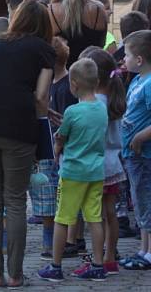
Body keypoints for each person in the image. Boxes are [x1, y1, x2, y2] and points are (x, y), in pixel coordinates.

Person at [0, 0, 55, 289]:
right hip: (17, 127)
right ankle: (16, 276)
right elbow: (41, 97)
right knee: (15, 200)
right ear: (44, 25)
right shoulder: (44, 50)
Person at [38, 58, 108, 282]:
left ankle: (55, 266)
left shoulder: (72, 111)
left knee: (63, 218)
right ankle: (98, 264)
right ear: (96, 82)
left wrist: (58, 145)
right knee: (94, 218)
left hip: (72, 174)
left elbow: (62, 138)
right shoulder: (101, 108)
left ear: (74, 84)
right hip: (96, 172)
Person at [77, 47, 127, 276]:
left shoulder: (92, 103)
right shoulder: (114, 100)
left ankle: (97, 259)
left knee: (94, 216)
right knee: (111, 214)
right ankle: (109, 257)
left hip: (94, 166)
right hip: (113, 164)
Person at [30, 36, 74, 260]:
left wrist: (58, 146)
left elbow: (64, 119)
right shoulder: (56, 82)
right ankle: (49, 238)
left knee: (49, 190)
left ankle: (51, 239)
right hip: (50, 141)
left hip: (53, 143)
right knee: (48, 190)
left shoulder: (63, 87)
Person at [118, 30, 151, 270]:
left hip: (144, 154)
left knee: (146, 199)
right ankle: (144, 248)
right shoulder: (138, 80)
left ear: (139, 59)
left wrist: (141, 136)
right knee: (140, 200)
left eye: (127, 55)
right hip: (133, 155)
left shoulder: (149, 84)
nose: (123, 60)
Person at [47, 0, 108, 66]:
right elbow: (102, 44)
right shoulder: (99, 8)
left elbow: (48, 49)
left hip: (65, 76)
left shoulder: (51, 10)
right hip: (94, 73)